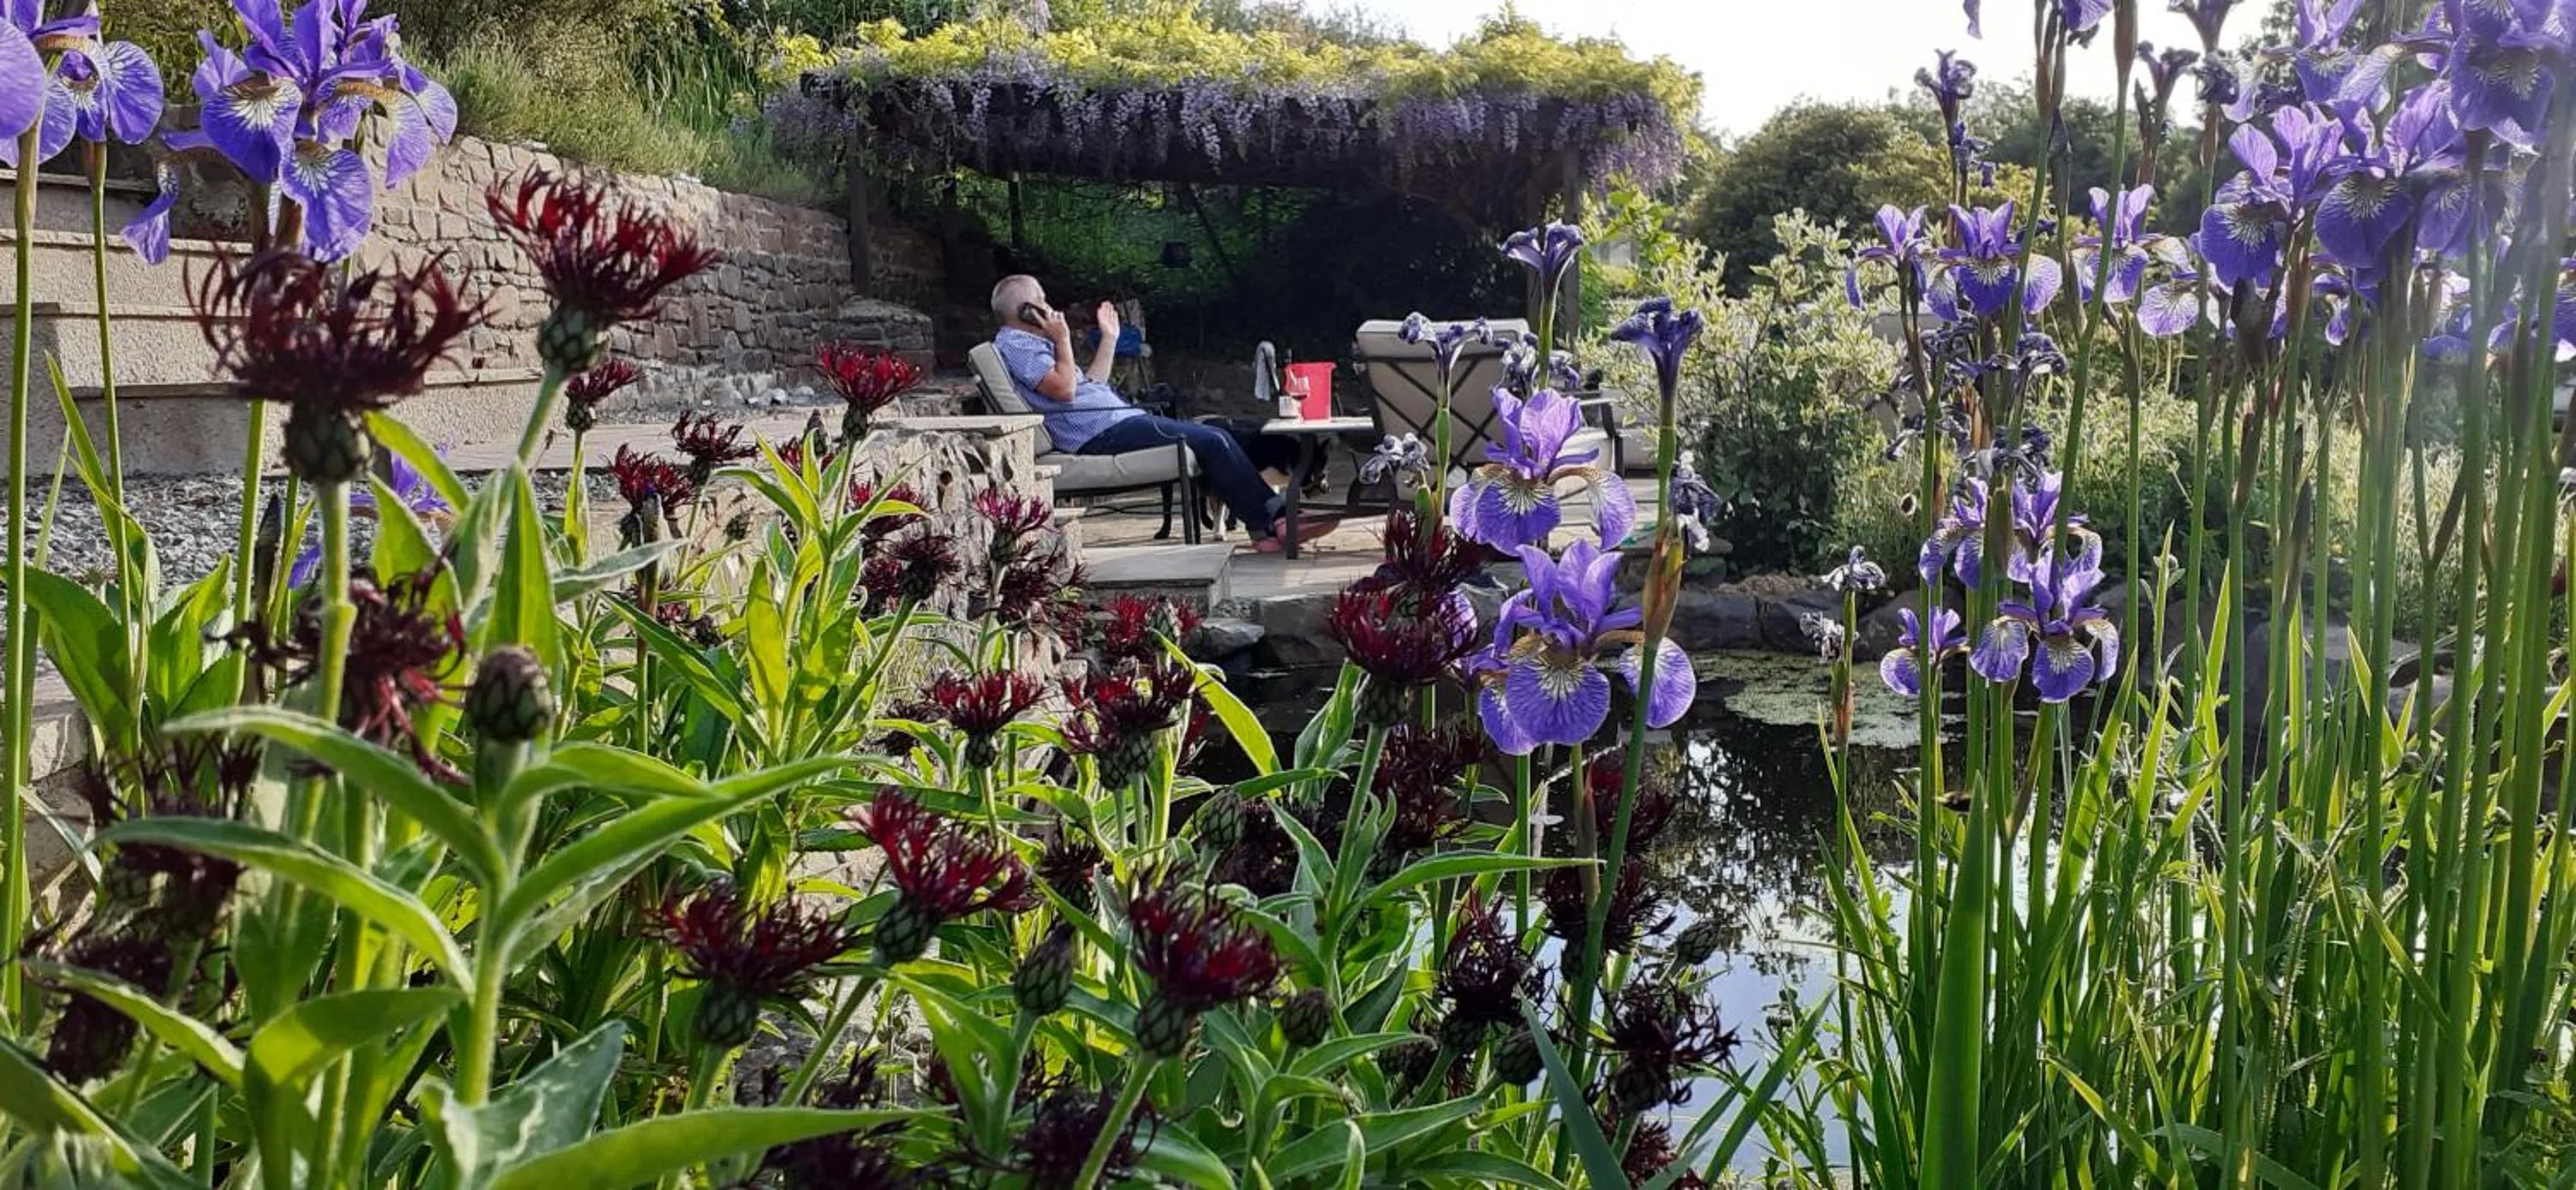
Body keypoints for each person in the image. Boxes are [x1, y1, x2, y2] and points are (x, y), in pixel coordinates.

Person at [989, 275, 1330, 551]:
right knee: (1213, 439)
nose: (1050, 307)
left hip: (1110, 421)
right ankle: (1277, 519)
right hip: (1098, 433)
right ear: (1026, 311)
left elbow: (1088, 385)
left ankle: (1266, 532)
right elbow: (1064, 391)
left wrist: (1109, 338)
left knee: (1217, 437)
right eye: (1042, 300)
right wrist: (1063, 340)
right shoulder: (1017, 345)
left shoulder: (1035, 345)